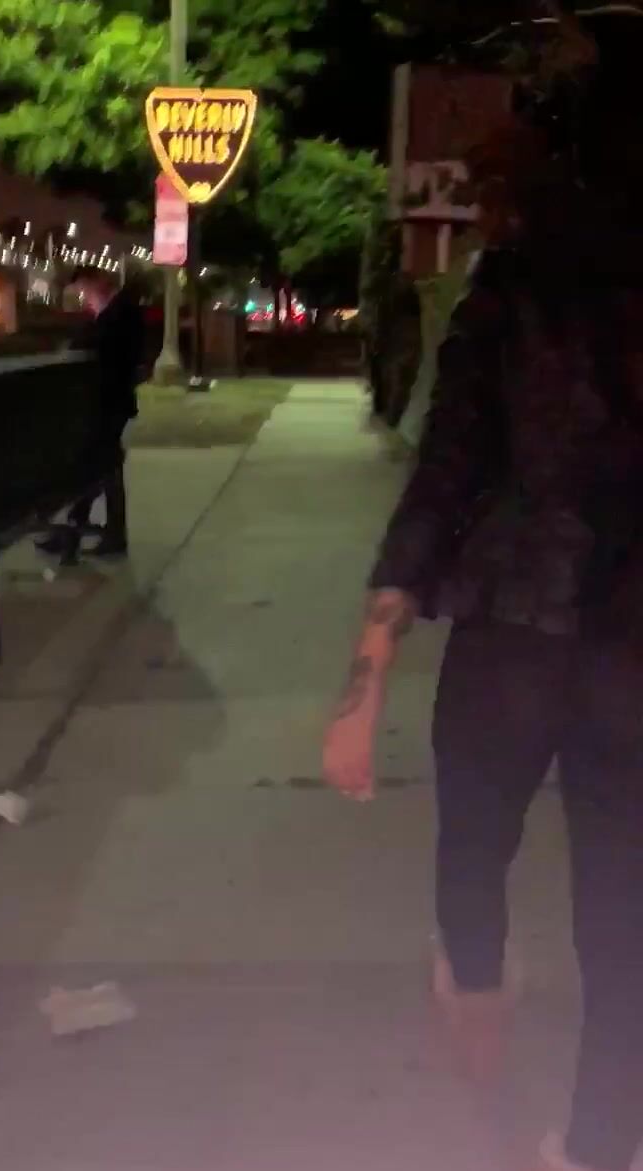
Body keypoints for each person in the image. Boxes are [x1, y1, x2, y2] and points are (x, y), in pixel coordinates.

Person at [324, 45, 643, 1171]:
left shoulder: (514, 284)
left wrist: (366, 677)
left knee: (472, 854)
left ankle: (477, 1008)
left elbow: (445, 474)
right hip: (631, 652)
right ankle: (594, 1143)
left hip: (511, 631)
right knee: (623, 915)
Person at [38, 268, 146, 558]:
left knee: (102, 469)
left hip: (108, 403)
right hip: (110, 402)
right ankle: (75, 530)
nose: (84, 298)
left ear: (97, 283)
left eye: (84, 291)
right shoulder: (117, 311)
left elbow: (108, 352)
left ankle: (104, 535)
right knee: (98, 468)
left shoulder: (119, 313)